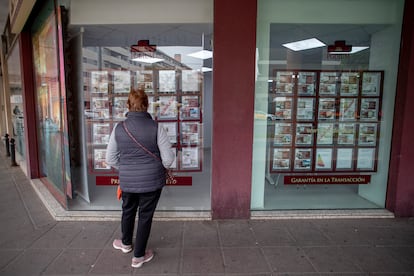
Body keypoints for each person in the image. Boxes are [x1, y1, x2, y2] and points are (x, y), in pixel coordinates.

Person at [105, 88, 174, 268]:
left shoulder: (119, 128)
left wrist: (126, 168)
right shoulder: (156, 127)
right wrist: (153, 168)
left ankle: (126, 244)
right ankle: (139, 256)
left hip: (128, 182)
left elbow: (110, 159)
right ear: (146, 105)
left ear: (128, 105)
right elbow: (168, 159)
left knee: (127, 210)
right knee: (145, 216)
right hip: (152, 182)